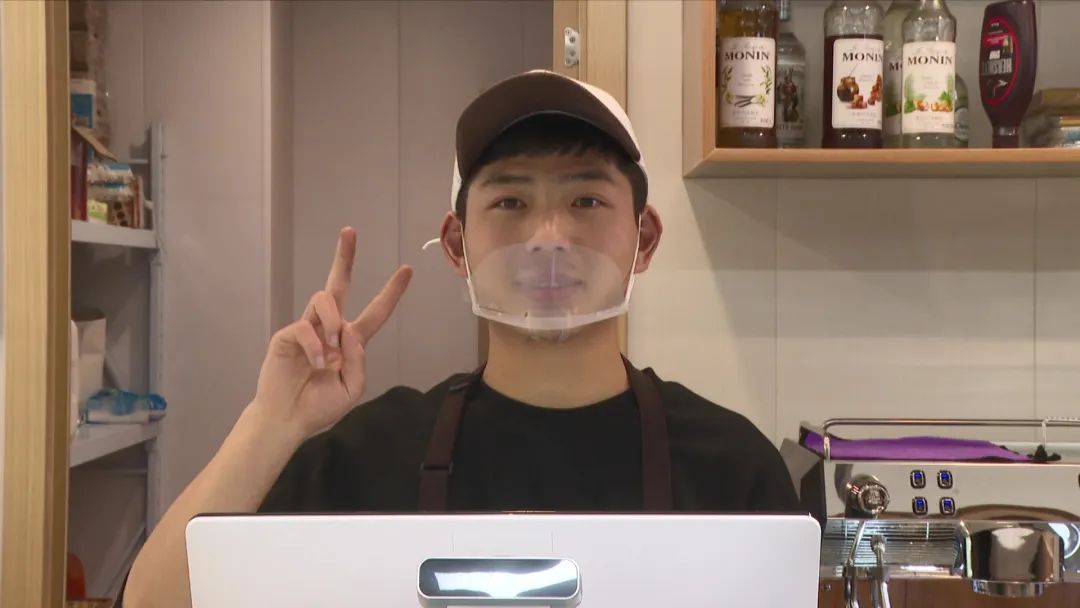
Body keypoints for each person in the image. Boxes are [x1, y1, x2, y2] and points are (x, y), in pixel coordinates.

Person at [121, 70, 800, 608]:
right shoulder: (366, 458)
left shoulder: (732, 469)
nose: (549, 238)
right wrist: (273, 422)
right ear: (456, 245)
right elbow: (154, 602)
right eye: (510, 202)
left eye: (586, 201)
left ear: (643, 238)